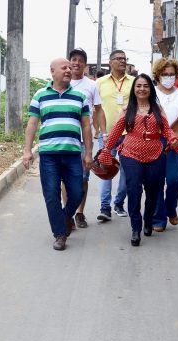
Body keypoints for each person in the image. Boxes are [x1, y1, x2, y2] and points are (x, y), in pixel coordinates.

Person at [98, 74, 178, 246]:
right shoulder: (128, 110)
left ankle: (148, 220)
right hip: (130, 154)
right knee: (134, 190)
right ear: (134, 89)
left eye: (145, 86)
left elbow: (166, 129)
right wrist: (107, 149)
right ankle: (136, 228)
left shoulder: (158, 108)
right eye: (138, 86)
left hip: (156, 153)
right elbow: (116, 132)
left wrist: (172, 138)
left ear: (150, 89)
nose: (142, 89)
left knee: (153, 190)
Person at [23, 58, 93, 251]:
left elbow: (86, 126)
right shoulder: (40, 95)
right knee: (52, 195)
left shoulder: (80, 96)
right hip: (49, 155)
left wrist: (89, 153)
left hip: (72, 154)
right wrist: (27, 151)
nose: (69, 70)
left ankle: (63, 219)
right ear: (52, 72)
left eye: (70, 68)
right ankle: (60, 234)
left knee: (78, 192)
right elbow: (32, 124)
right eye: (64, 68)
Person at [151, 58, 178, 232]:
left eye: (171, 74)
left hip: (175, 144)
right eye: (165, 74)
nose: (168, 77)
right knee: (155, 182)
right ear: (158, 75)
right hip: (154, 144)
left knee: (174, 180)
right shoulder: (151, 93)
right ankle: (159, 218)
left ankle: (171, 208)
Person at [64, 48, 105, 229]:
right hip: (64, 138)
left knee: (82, 178)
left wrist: (103, 132)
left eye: (80, 60)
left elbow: (98, 109)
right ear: (69, 61)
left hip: (83, 139)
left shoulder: (91, 85)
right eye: (74, 59)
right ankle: (68, 214)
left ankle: (79, 212)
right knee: (65, 179)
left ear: (85, 65)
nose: (76, 63)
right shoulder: (61, 82)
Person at [96, 50, 134, 221]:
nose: (122, 61)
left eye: (124, 59)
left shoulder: (134, 82)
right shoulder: (99, 82)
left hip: (129, 134)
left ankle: (119, 203)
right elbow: (95, 109)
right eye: (118, 59)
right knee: (105, 171)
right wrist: (98, 131)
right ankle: (105, 208)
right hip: (106, 135)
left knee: (127, 172)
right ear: (110, 62)